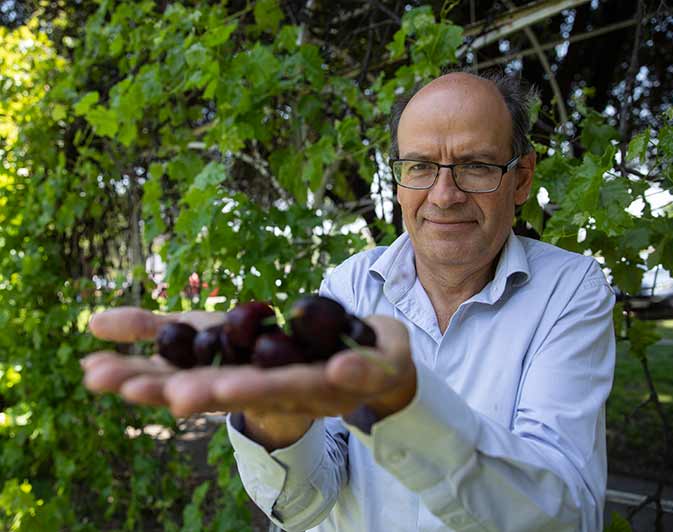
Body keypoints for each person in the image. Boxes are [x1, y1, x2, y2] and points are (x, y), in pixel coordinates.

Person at [82, 71, 616, 531]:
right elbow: (301, 507)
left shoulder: (570, 292)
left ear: (520, 179)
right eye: (420, 166)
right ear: (400, 179)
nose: (444, 194)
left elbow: (566, 516)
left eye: (476, 165)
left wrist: (405, 406)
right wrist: (277, 421)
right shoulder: (352, 285)